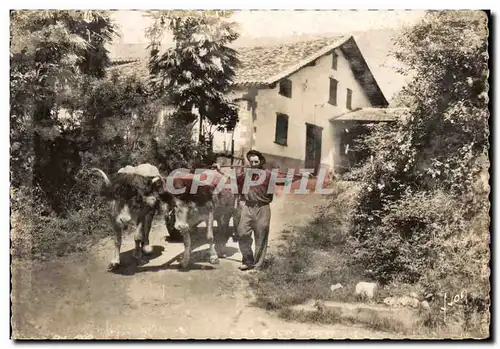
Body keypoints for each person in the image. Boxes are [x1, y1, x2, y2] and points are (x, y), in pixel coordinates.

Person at [214, 150, 307, 271]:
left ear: (261, 162)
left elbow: (285, 179)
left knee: (261, 237)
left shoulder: (268, 174)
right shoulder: (245, 174)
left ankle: (257, 265)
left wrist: (301, 176)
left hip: (263, 208)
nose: (253, 164)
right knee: (242, 233)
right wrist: (219, 169)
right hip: (247, 207)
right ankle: (248, 260)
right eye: (251, 161)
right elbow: (232, 177)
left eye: (256, 161)